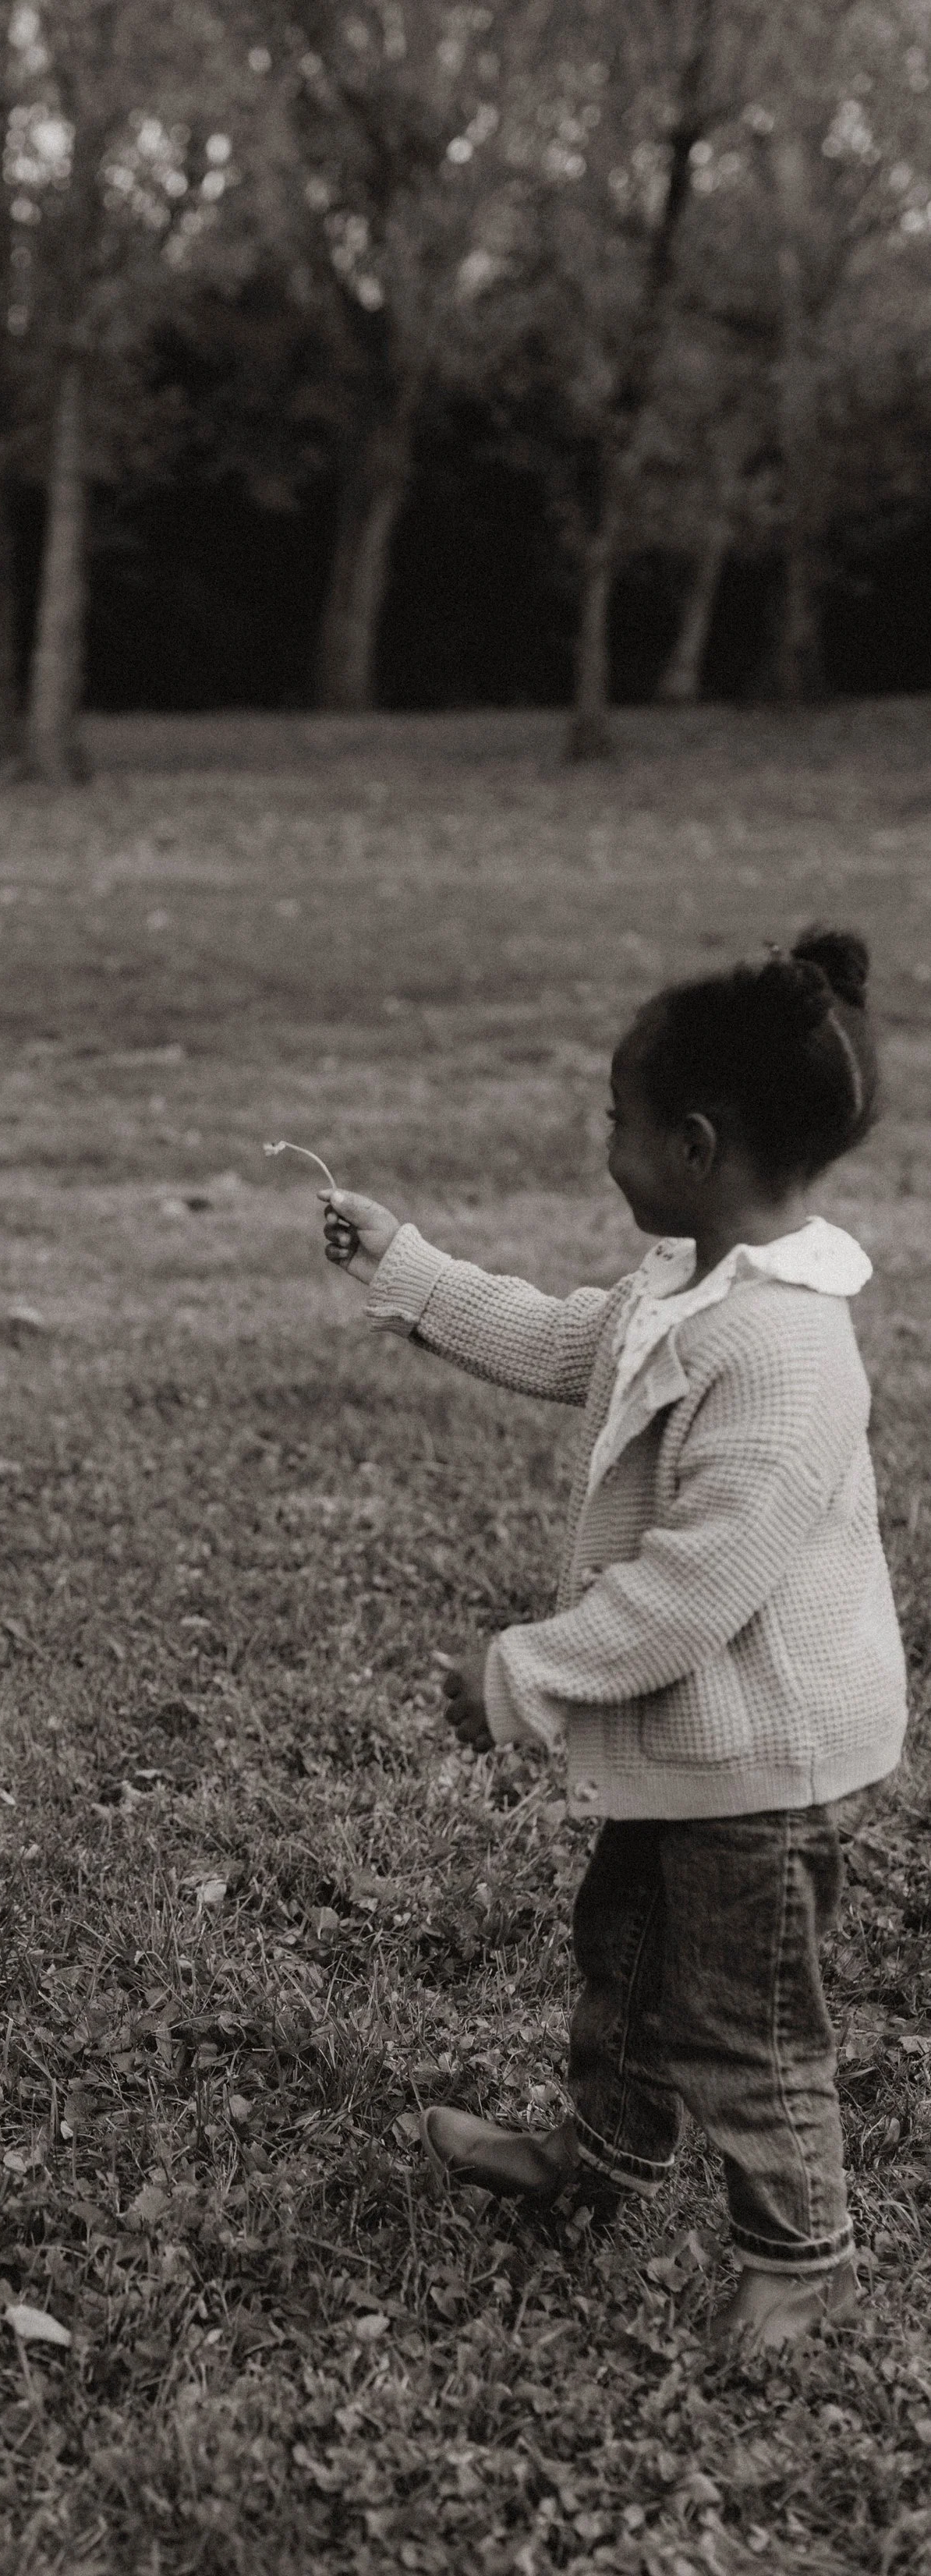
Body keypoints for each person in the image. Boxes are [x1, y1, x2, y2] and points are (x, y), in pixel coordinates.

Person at [319, 929, 904, 2351]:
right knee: (628, 1958)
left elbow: (700, 1588)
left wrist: (522, 1676)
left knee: (744, 2015)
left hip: (761, 1762)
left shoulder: (781, 1351)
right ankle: (604, 2154)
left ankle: (803, 2251)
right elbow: (557, 1339)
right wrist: (408, 1267)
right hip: (684, 1742)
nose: (603, 1141)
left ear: (694, 1144)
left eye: (615, 1121)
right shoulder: (679, 1288)